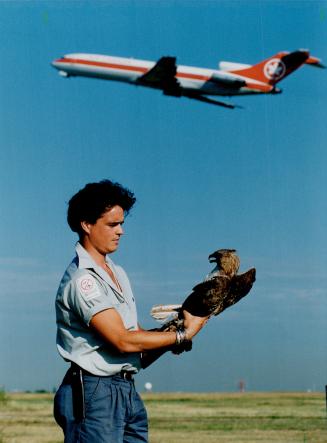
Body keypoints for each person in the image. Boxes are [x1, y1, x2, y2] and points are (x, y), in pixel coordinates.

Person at [54, 179, 207, 443]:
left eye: (122, 223)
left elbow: (135, 337)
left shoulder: (118, 273)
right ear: (86, 224)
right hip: (95, 392)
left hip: (126, 389)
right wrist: (182, 335)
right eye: (112, 224)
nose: (121, 231)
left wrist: (171, 336)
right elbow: (122, 341)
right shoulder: (83, 281)